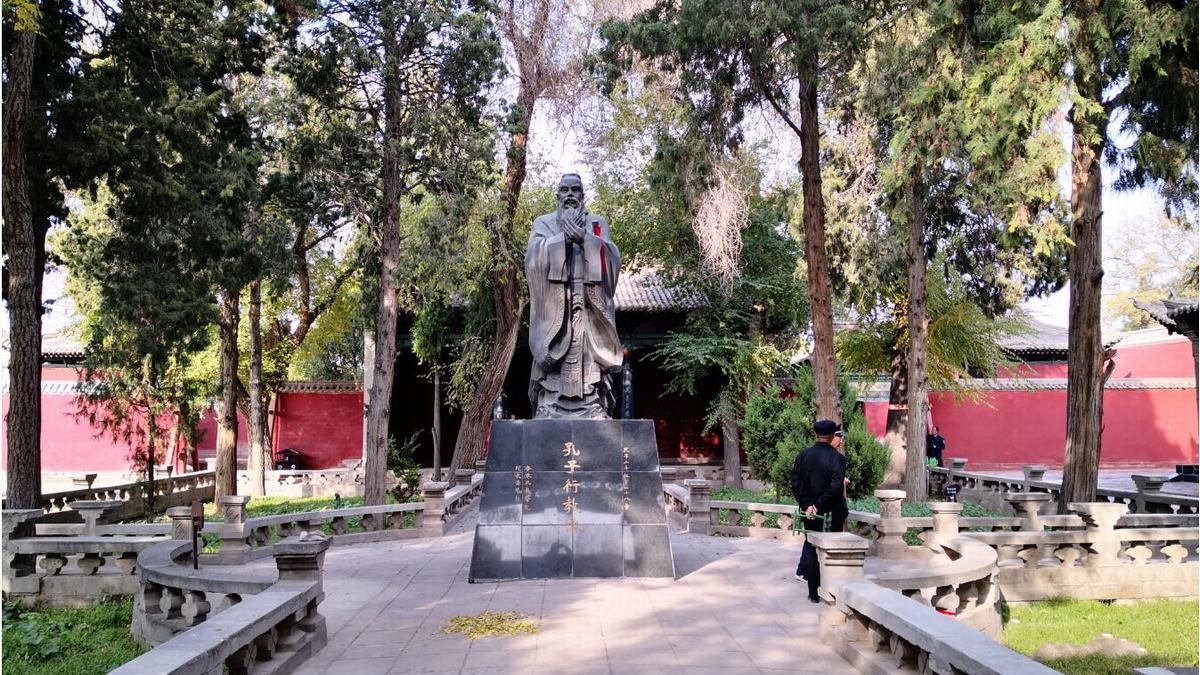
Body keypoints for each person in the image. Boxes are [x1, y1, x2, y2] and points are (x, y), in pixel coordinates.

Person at [524, 173, 623, 419]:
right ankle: (550, 404)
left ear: (582, 195)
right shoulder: (543, 224)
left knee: (589, 356)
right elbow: (532, 261)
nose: (570, 194)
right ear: (557, 194)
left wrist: (585, 239)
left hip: (589, 302)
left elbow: (611, 258)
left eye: (575, 190)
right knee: (555, 354)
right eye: (565, 189)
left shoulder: (597, 223)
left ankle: (593, 404)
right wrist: (562, 241)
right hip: (556, 303)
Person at [791, 419, 848, 603]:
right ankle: (831, 589)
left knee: (811, 546)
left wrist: (809, 504)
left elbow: (796, 482)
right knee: (832, 549)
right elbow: (835, 486)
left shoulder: (803, 455)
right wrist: (819, 503)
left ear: (816, 434)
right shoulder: (837, 458)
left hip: (810, 512)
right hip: (831, 510)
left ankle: (813, 592)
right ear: (832, 436)